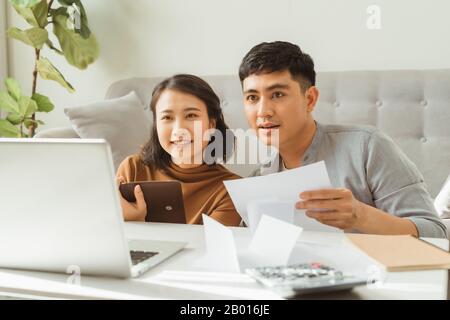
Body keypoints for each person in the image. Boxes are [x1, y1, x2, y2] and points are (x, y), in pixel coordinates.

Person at [238, 41, 446, 238]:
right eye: (252, 97)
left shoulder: (367, 147)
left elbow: (436, 233)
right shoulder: (259, 178)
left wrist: (362, 217)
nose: (263, 111)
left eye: (277, 94)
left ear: (309, 99)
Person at [116, 74, 241, 226]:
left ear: (211, 124)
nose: (179, 129)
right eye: (167, 118)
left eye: (191, 115)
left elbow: (207, 248)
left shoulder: (232, 190)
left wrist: (137, 223)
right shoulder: (132, 169)